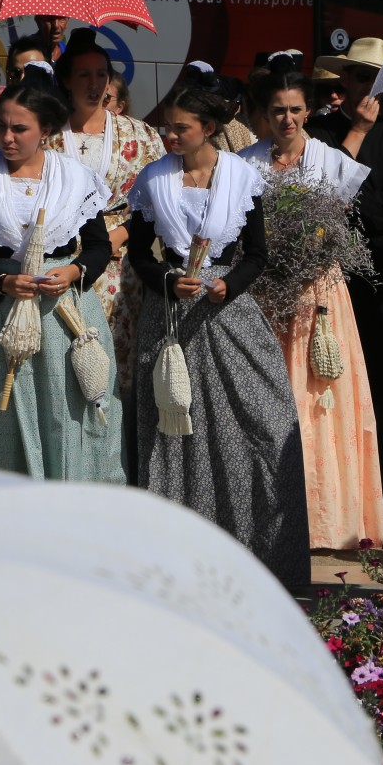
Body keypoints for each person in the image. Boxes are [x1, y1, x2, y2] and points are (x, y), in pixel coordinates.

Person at [124, 87, 310, 589]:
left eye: (180, 127)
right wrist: (167, 281)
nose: (169, 134)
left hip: (227, 314)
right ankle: (176, 559)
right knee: (174, 425)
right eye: (167, 126)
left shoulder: (242, 178)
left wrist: (230, 285)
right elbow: (139, 253)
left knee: (264, 421)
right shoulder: (153, 179)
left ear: (208, 129)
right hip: (170, 317)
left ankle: (258, 554)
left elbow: (256, 254)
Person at [0, 63, 124, 481]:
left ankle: (70, 500)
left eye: (19, 129)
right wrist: (1, 281)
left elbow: (98, 246)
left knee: (66, 407)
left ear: (45, 130)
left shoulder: (76, 179)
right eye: (1, 127)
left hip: (63, 313)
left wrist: (74, 272)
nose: (7, 137)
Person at [241, 69, 383, 549]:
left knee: (321, 397)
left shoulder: (330, 160)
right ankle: (268, 515)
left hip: (317, 294)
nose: (287, 118)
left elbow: (339, 225)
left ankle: (327, 518)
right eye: (278, 110)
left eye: (295, 109)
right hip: (265, 293)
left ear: (308, 111)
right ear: (265, 114)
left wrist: (311, 254)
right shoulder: (244, 164)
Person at [310, 37, 383, 489]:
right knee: (332, 368)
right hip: (334, 266)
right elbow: (321, 199)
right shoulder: (320, 131)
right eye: (359, 75)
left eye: (376, 77)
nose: (367, 86)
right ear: (344, 78)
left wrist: (353, 206)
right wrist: (355, 135)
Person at [47, 29, 165, 402]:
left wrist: (124, 232)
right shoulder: (48, 136)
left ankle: (119, 433)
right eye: (84, 74)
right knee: (68, 356)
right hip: (65, 259)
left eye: (101, 74)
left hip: (121, 262)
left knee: (119, 355)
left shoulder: (139, 134)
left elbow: (159, 199)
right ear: (67, 80)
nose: (94, 83)